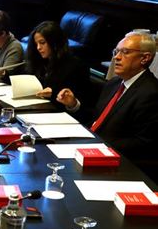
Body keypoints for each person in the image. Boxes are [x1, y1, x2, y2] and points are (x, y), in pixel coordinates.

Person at [57, 32, 158, 179]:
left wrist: (98, 143)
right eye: (116, 52)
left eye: (125, 52)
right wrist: (74, 105)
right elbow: (97, 120)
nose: (116, 57)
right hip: (88, 149)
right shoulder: (114, 83)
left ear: (145, 58)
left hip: (117, 164)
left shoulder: (151, 93)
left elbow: (144, 144)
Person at [24, 21, 93, 115]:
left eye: (42, 43)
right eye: (36, 44)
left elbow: (82, 107)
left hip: (60, 116)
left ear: (55, 42)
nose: (38, 48)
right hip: (36, 110)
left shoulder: (76, 66)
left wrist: (54, 93)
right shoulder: (39, 61)